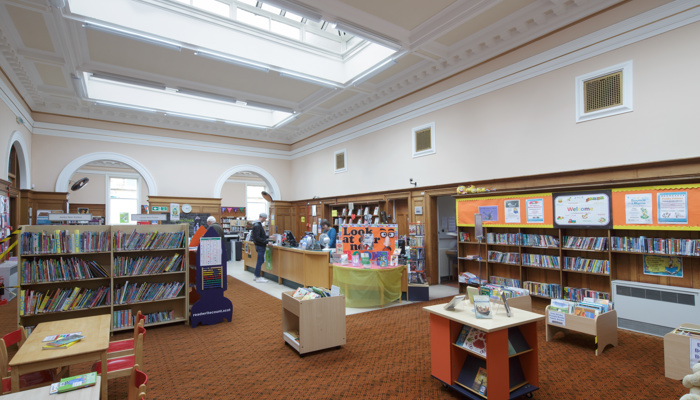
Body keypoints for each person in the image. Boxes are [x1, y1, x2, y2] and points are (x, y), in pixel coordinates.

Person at [251, 213, 269, 283]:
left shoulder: (256, 224)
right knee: (260, 261)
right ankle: (258, 277)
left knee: (260, 261)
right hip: (260, 245)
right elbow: (257, 237)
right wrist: (267, 242)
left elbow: (259, 236)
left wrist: (268, 237)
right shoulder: (257, 225)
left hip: (258, 245)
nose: (265, 220)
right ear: (263, 218)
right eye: (265, 219)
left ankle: (256, 275)